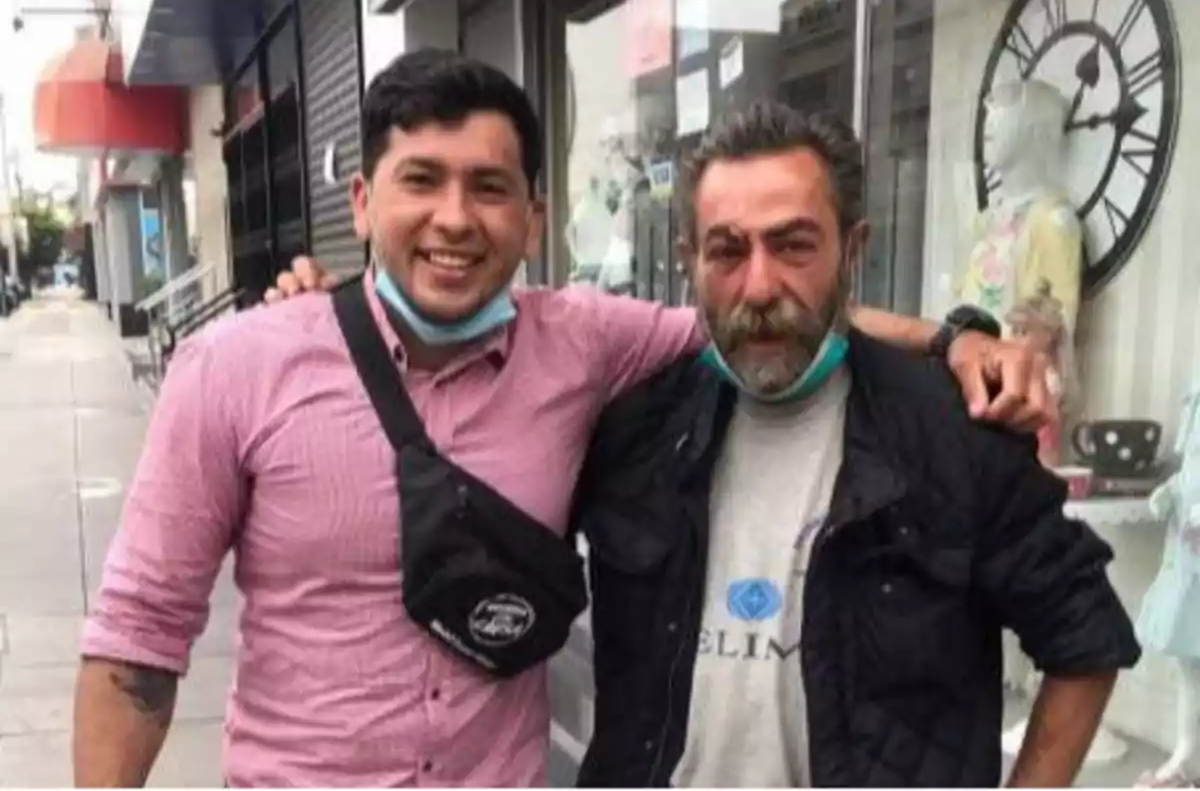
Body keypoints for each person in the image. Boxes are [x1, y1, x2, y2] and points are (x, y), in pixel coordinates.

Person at [74, 50, 1048, 787]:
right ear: (364, 202)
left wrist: (956, 339)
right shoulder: (234, 367)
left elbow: (769, 311)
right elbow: (137, 639)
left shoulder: (583, 341)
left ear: (534, 217)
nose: (456, 218)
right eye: (422, 180)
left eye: (490, 187)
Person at [569, 101, 1140, 788]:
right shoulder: (632, 433)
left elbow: (1086, 639)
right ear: (690, 261)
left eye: (794, 245)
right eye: (727, 250)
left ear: (853, 250)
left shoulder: (953, 435)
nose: (759, 285)